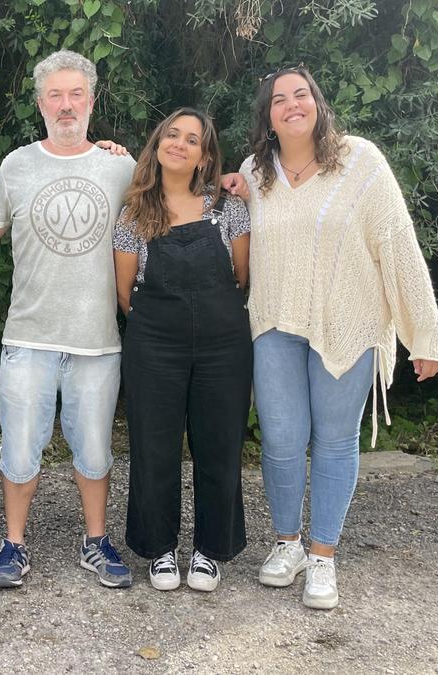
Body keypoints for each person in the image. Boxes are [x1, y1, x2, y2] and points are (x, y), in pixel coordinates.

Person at [240, 66, 438, 609]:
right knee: (281, 441)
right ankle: (288, 545)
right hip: (274, 323)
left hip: (348, 323)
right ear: (267, 116)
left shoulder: (361, 160)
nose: (291, 105)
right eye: (278, 99)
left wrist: (421, 333)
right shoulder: (254, 173)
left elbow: (396, 243)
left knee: (334, 441)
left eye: (300, 94)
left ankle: (324, 557)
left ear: (318, 102)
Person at [0, 50, 137, 589]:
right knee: (20, 450)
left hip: (98, 339)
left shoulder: (122, 168)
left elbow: (169, 209)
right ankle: (14, 545)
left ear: (91, 101)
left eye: (76, 95)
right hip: (29, 336)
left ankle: (96, 542)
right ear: (40, 102)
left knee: (94, 450)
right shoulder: (16, 165)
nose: (66, 105)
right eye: (55, 95)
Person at [114, 108, 252, 593]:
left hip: (224, 342)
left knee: (220, 445)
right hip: (154, 341)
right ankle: (160, 549)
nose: (179, 144)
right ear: (157, 145)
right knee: (154, 446)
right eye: (171, 135)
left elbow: (242, 276)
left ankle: (211, 551)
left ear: (204, 156)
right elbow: (126, 292)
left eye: (192, 140)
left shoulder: (229, 208)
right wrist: (163, 325)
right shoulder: (134, 212)